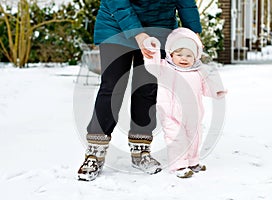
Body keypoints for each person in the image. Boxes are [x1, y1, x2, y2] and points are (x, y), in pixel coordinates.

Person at [77, 0, 203, 181]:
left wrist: (193, 34)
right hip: (116, 26)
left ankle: (140, 150)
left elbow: (185, 3)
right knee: (112, 87)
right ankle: (94, 153)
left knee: (146, 89)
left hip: (159, 28)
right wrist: (137, 32)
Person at [143, 27, 227, 178]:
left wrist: (217, 91)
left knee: (195, 136)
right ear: (171, 54)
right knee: (176, 138)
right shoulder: (164, 67)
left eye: (189, 55)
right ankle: (179, 165)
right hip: (170, 113)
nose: (184, 58)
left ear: (195, 57)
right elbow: (151, 64)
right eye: (179, 54)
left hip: (193, 113)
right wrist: (151, 49)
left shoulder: (199, 71)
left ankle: (193, 161)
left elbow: (208, 85)